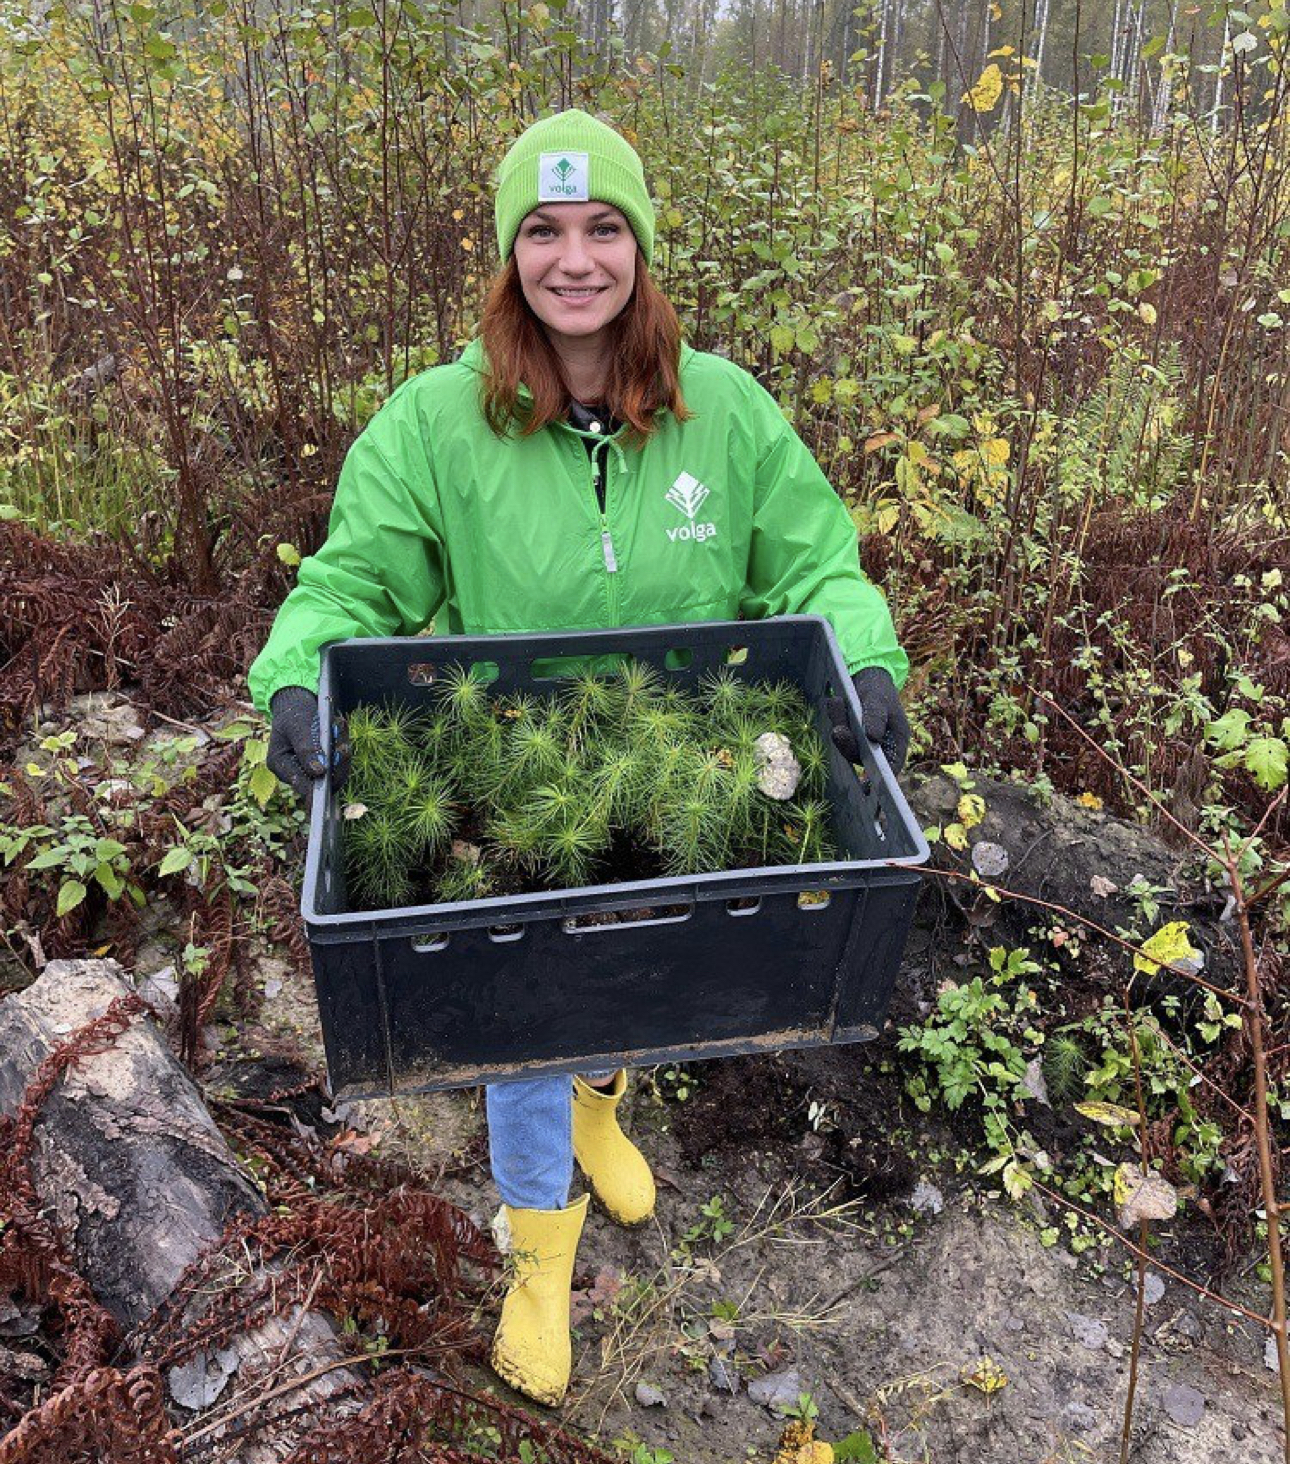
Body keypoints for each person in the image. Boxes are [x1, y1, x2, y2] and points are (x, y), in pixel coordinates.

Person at [250, 109, 910, 1407]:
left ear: (639, 247)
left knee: (653, 961)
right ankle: (538, 1254)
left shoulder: (720, 409)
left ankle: (607, 1106)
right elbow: (352, 579)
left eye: (602, 227)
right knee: (525, 1019)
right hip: (516, 777)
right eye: (543, 231)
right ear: (509, 254)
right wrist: (294, 679)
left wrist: (862, 655)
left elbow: (817, 560)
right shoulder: (443, 421)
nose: (574, 259)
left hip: (682, 761)